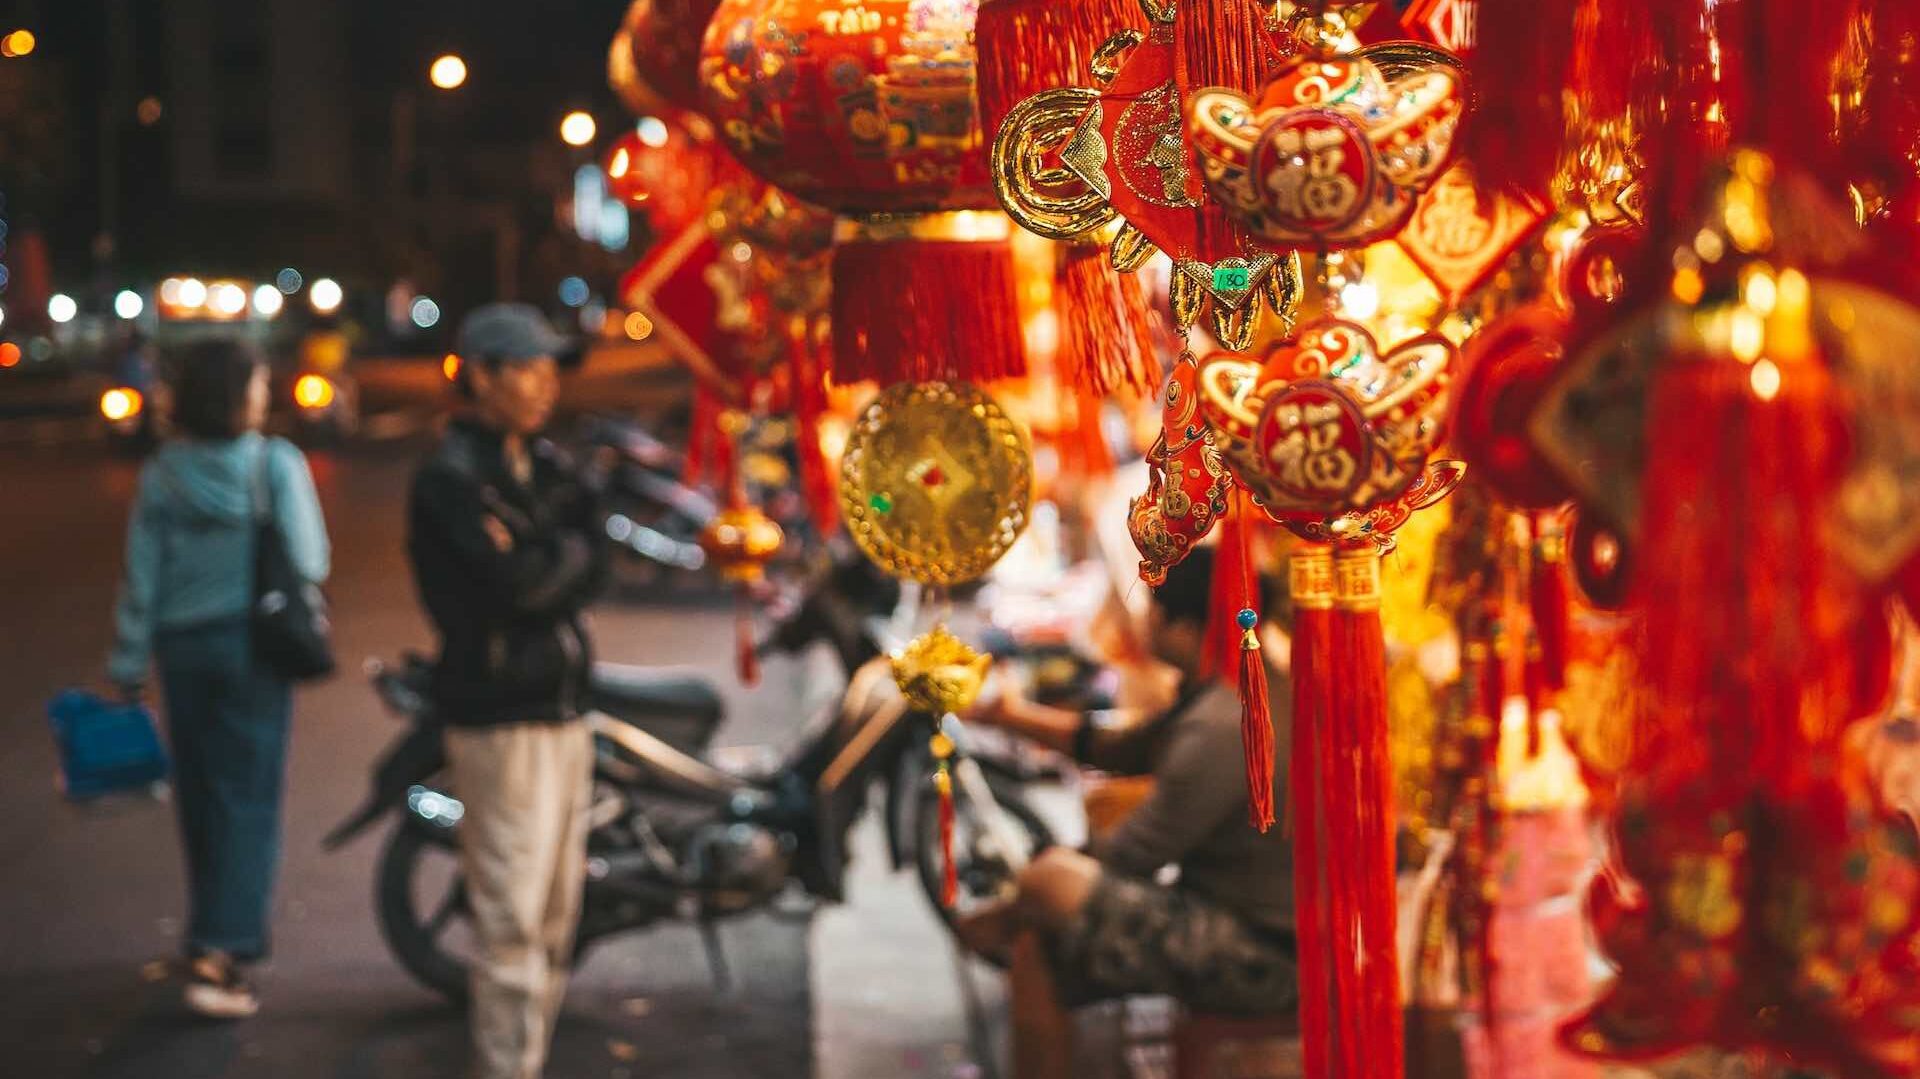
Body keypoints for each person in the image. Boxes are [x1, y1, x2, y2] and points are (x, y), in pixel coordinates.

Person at [960, 545, 1295, 1078]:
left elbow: (1131, 854)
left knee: (1049, 884)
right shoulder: (1240, 689)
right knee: (1040, 932)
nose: (1144, 621)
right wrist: (1009, 717)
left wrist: (1017, 904)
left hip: (1266, 955)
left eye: (1152, 608)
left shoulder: (1222, 720)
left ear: (1184, 628)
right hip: (1255, 929)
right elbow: (1123, 746)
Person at [407, 303, 606, 1079]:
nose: (544, 383)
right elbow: (510, 588)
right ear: (481, 376)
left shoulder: (541, 466)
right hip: (500, 721)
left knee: (557, 918)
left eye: (550, 366)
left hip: (564, 712)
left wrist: (551, 556)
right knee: (512, 921)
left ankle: (528, 1060)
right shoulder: (451, 479)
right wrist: (559, 557)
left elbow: (589, 564)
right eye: (526, 366)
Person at [107, 339, 331, 1019]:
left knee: (202, 792)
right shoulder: (274, 463)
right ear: (240, 394)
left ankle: (209, 927)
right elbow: (310, 558)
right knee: (249, 797)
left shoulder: (163, 473)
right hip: (251, 648)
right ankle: (222, 949)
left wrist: (126, 662)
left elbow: (141, 576)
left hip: (181, 650)